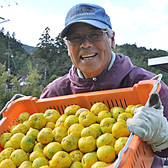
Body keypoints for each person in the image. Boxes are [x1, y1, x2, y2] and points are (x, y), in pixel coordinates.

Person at [40, 3, 168, 168]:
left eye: (95, 34)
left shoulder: (149, 88)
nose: (85, 44)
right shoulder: (55, 93)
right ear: (67, 48)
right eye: (75, 38)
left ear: (112, 39)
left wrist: (163, 138)